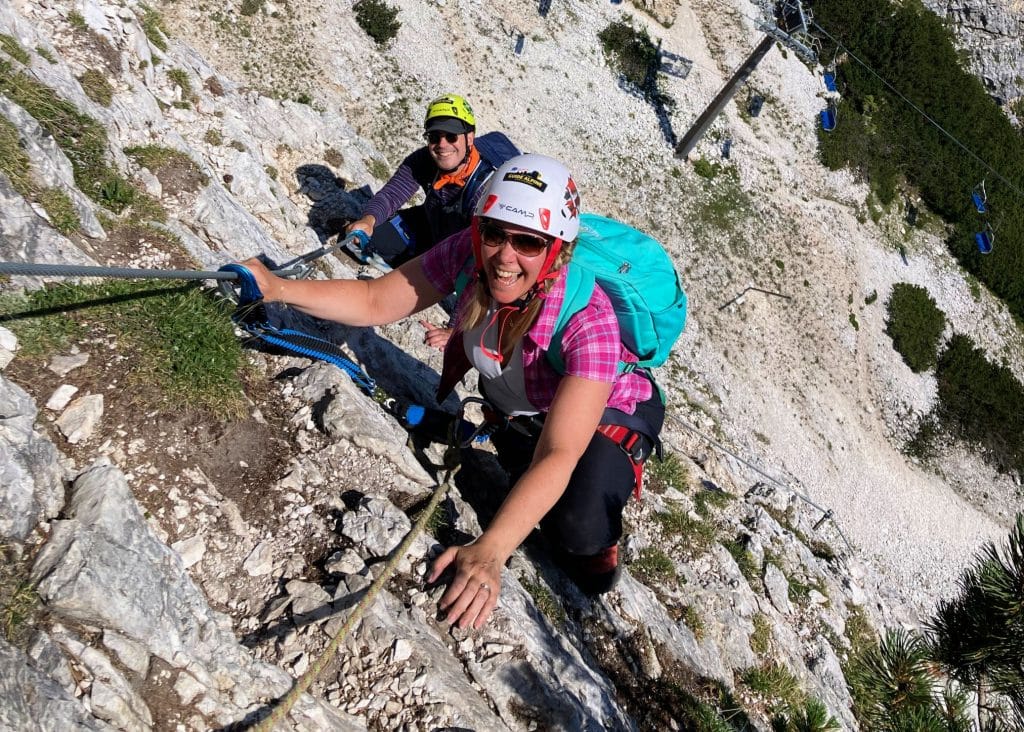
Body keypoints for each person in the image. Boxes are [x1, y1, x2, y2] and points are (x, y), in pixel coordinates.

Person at [238, 154, 664, 629]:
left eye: (527, 242)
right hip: (525, 407)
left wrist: (490, 552)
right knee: (522, 486)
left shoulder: (590, 321)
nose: (504, 255)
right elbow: (377, 299)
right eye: (494, 233)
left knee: (577, 527)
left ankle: (600, 555)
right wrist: (277, 287)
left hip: (610, 411)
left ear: (556, 252)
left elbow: (560, 453)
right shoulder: (468, 251)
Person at [345, 94, 500, 268]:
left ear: (469, 138)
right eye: (434, 137)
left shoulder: (486, 188)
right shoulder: (424, 159)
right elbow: (392, 195)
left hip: (464, 250)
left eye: (451, 136)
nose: (442, 144)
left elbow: (483, 245)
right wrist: (368, 220)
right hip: (430, 224)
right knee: (364, 243)